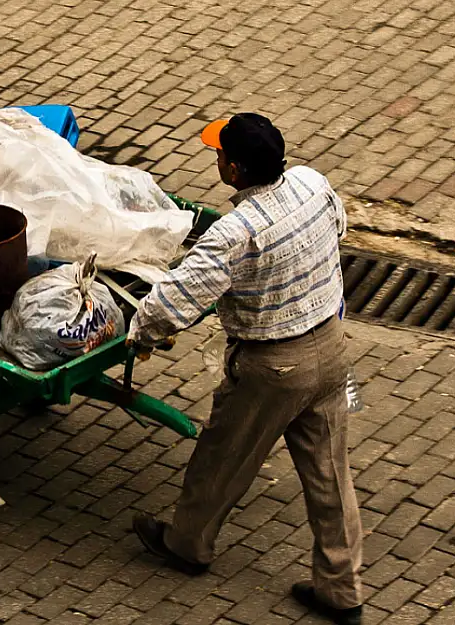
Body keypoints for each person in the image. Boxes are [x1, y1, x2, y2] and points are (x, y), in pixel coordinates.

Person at [126, 113, 364, 625]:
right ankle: (341, 589)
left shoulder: (235, 233)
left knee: (222, 457)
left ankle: (187, 544)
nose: (215, 160)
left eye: (218, 154)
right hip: (332, 348)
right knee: (330, 475)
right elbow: (338, 225)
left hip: (273, 368)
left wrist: (139, 334)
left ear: (233, 169)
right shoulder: (311, 182)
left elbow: (175, 302)